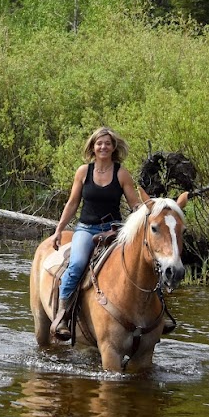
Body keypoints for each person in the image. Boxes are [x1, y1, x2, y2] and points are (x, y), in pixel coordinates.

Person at [48, 126, 147, 341]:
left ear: (114, 148)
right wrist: (59, 230)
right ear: (92, 147)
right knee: (76, 265)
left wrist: (150, 211)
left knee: (142, 262)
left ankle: (157, 314)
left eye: (107, 144)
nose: (103, 147)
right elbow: (73, 203)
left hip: (114, 229)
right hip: (86, 228)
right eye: (99, 143)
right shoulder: (83, 172)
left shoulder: (121, 173)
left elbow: (134, 204)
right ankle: (62, 315)